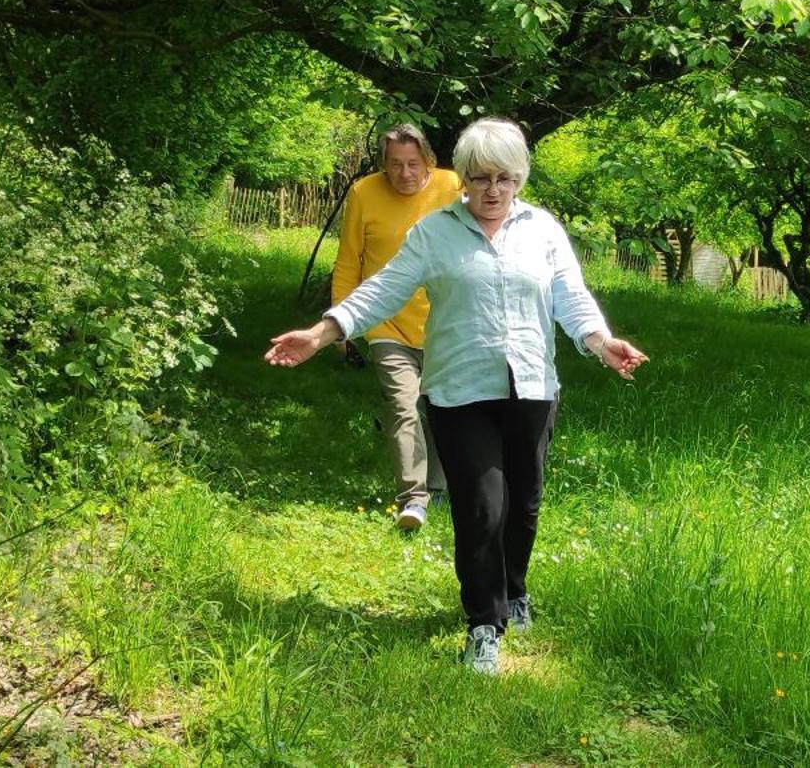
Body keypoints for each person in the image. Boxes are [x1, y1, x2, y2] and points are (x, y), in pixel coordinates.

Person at [266, 117, 648, 675]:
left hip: (532, 386)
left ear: (519, 178)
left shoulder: (543, 230)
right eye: (480, 178)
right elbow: (382, 290)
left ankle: (514, 588)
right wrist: (323, 332)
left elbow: (571, 297)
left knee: (524, 506)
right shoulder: (433, 232)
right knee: (480, 508)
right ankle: (483, 626)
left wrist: (601, 341)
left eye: (505, 178)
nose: (493, 190)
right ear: (461, 179)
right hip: (459, 390)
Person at [332, 124, 464, 531]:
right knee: (403, 404)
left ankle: (439, 488)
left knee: (444, 408)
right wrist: (340, 321)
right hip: (386, 323)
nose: (405, 173)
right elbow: (349, 260)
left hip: (445, 322)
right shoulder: (364, 193)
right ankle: (414, 498)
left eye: (412, 164)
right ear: (383, 166)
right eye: (394, 165)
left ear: (428, 160)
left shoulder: (453, 186)